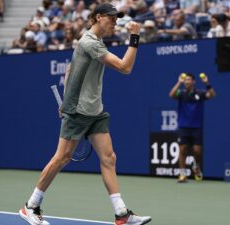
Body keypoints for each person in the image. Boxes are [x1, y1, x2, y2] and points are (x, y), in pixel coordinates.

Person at [19, 3, 151, 225]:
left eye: (116, 18)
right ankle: (30, 206)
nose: (115, 21)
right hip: (79, 112)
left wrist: (65, 98)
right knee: (61, 158)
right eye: (111, 18)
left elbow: (70, 69)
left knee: (109, 158)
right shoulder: (89, 42)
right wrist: (134, 37)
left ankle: (121, 214)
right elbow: (125, 67)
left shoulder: (94, 42)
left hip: (95, 111)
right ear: (98, 18)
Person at [169, 73, 216, 183]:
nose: (186, 82)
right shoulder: (181, 93)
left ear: (193, 81)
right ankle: (182, 174)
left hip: (196, 127)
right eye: (185, 80)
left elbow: (212, 95)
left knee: (197, 151)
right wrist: (178, 82)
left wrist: (206, 83)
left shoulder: (200, 93)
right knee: (182, 150)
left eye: (188, 80)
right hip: (183, 127)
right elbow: (171, 95)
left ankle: (196, 167)